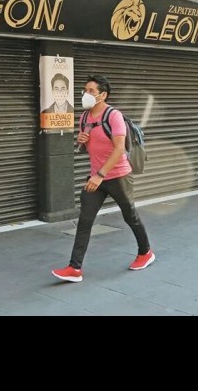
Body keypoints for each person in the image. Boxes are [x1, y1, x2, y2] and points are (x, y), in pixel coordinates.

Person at [51, 75, 154, 283]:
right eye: (85, 90)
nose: (86, 94)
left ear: (103, 95)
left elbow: (119, 149)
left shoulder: (114, 116)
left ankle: (146, 252)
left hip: (118, 176)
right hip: (96, 178)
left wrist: (99, 175)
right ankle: (74, 268)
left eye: (91, 91)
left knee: (130, 216)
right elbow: (90, 147)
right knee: (85, 220)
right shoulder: (84, 117)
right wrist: (81, 141)